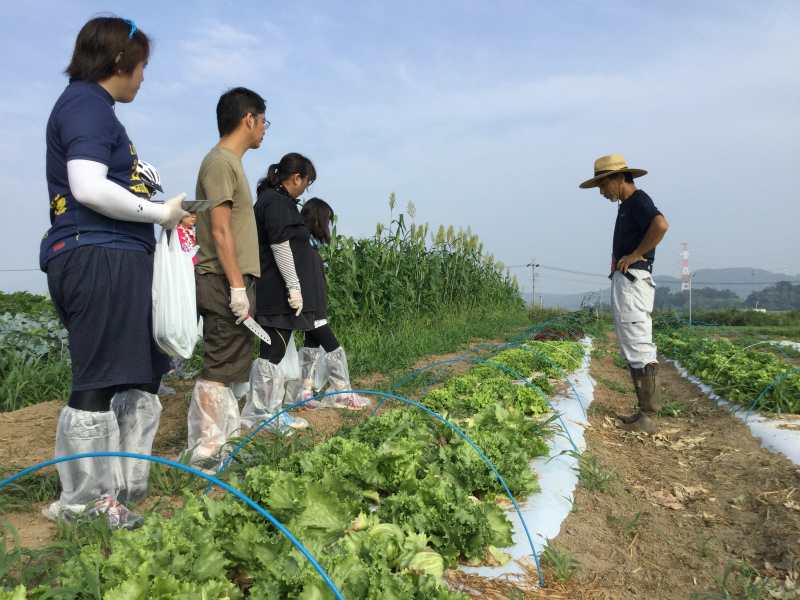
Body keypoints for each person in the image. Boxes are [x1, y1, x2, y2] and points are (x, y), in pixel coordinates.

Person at [40, 17, 189, 529]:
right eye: (143, 65)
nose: (144, 77)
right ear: (121, 61)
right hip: (95, 251)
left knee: (140, 374)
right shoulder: (86, 103)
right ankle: (83, 504)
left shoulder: (94, 109)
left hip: (114, 254)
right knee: (100, 378)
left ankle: (119, 489)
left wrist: (154, 201)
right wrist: (159, 213)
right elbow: (86, 185)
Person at [240, 155, 368, 431]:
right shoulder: (274, 202)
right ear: (296, 177)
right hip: (276, 291)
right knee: (273, 351)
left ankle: (269, 411)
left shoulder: (278, 201)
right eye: (306, 182)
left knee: (275, 349)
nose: (305, 189)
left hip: (281, 292)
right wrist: (294, 287)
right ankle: (263, 413)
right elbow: (279, 245)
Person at [186, 87, 268, 471]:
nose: (265, 128)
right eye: (263, 120)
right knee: (219, 365)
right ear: (248, 118)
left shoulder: (231, 163)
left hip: (232, 279)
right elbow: (220, 231)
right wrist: (237, 286)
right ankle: (205, 450)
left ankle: (224, 442)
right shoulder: (221, 162)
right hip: (221, 279)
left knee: (232, 362)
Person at [580, 155, 669, 434]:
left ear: (620, 178)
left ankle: (649, 419)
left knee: (639, 343)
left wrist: (636, 254)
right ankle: (643, 412)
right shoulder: (625, 207)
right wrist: (618, 255)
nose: (601, 191)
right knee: (630, 343)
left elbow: (661, 225)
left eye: (603, 184)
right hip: (626, 281)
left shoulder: (638, 200)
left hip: (634, 282)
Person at [290, 197, 372, 411]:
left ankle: (304, 393)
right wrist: (314, 311)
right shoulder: (303, 246)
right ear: (316, 220)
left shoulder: (310, 245)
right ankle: (342, 393)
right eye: (326, 220)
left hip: (316, 308)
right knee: (333, 348)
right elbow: (304, 282)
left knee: (311, 348)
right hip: (312, 310)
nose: (327, 226)